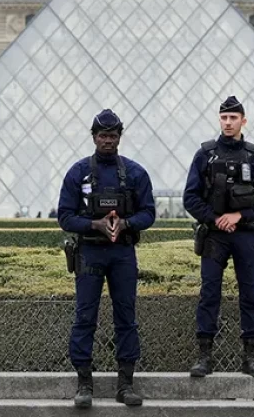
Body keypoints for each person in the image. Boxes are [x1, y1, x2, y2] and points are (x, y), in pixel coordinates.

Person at [57, 109, 156, 408]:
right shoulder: (78, 173)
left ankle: (126, 384)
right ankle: (84, 382)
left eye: (112, 136)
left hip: (123, 252)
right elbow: (64, 216)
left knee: (126, 317)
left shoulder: (136, 173)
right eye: (102, 136)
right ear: (94, 137)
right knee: (85, 317)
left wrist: (125, 224)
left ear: (119, 137)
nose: (108, 141)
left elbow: (149, 213)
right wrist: (94, 224)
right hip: (89, 251)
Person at [183, 96, 254, 378]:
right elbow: (190, 198)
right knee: (209, 294)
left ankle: (251, 357)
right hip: (214, 236)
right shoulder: (205, 155)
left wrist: (239, 216)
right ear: (219, 119)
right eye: (223, 118)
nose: (227, 123)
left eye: (233, 118)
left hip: (246, 234)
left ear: (243, 121)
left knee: (250, 294)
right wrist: (215, 219)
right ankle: (204, 356)